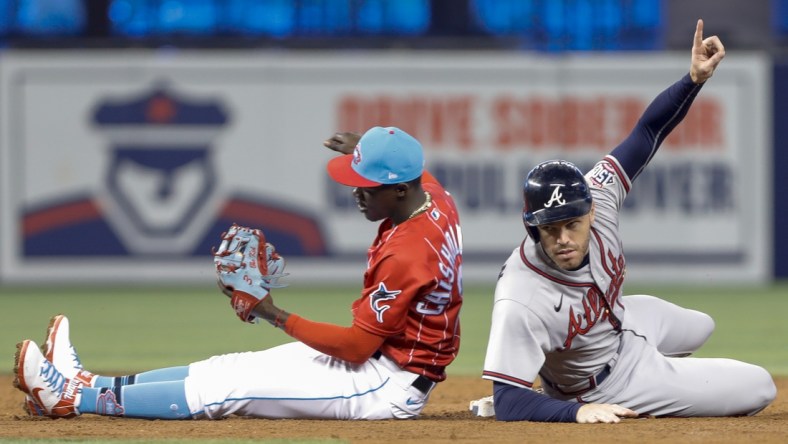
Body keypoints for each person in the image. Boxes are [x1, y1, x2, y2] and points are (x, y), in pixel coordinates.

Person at [14, 126, 464, 420]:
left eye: (365, 186)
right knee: (227, 366)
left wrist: (272, 313)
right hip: (379, 361)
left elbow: (354, 346)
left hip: (385, 386)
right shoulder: (435, 200)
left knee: (230, 389)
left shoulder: (406, 255)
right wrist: (366, 155)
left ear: (400, 189)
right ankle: (88, 381)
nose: (354, 192)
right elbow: (418, 169)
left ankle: (72, 400)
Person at [473, 19, 776, 423]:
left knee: (701, 325)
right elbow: (508, 400)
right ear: (532, 227)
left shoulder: (597, 193)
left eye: (572, 224)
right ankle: (626, 388)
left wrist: (693, 80)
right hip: (606, 382)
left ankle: (645, 368)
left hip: (623, 323)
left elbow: (647, 131)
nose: (563, 238)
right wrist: (574, 412)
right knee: (759, 386)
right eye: (550, 228)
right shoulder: (521, 296)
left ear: (591, 210)